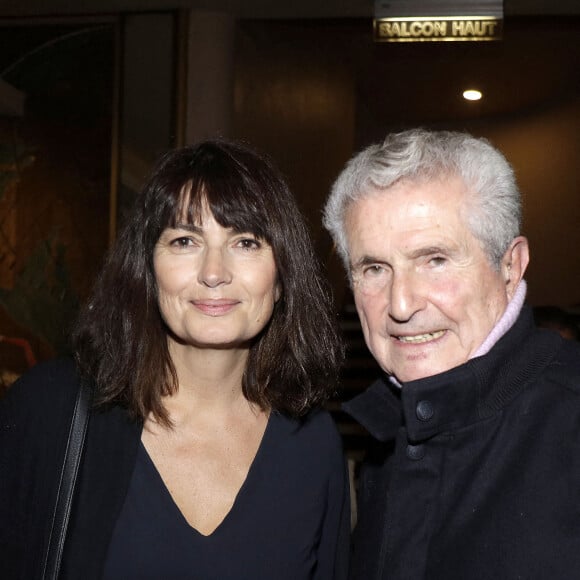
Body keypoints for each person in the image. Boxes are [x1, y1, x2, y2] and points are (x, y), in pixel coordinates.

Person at [0, 139, 350, 579]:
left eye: (245, 242)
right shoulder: (49, 408)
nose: (214, 272)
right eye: (185, 240)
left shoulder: (313, 445)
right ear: (146, 268)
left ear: (281, 277)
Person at [323, 128, 580, 579]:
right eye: (375, 268)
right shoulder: (387, 437)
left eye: (434, 260)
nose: (401, 305)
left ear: (510, 266)